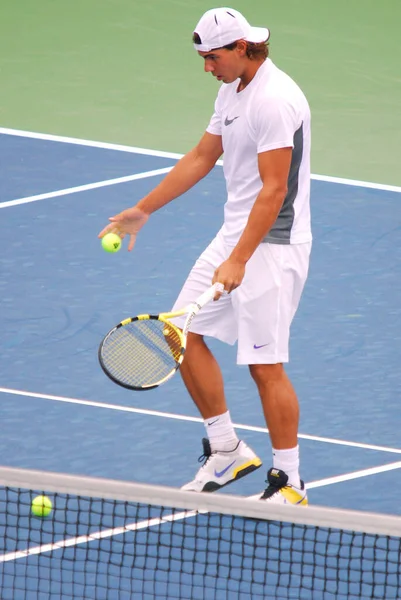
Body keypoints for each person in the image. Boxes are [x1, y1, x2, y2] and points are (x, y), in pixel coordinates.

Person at [99, 7, 312, 504]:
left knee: (265, 366)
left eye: (212, 57)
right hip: (236, 235)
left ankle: (291, 480)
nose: (206, 67)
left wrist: (239, 258)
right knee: (180, 332)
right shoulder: (231, 89)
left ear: (242, 48)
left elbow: (274, 191)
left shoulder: (275, 100)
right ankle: (226, 449)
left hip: (272, 247)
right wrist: (143, 209)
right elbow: (202, 155)